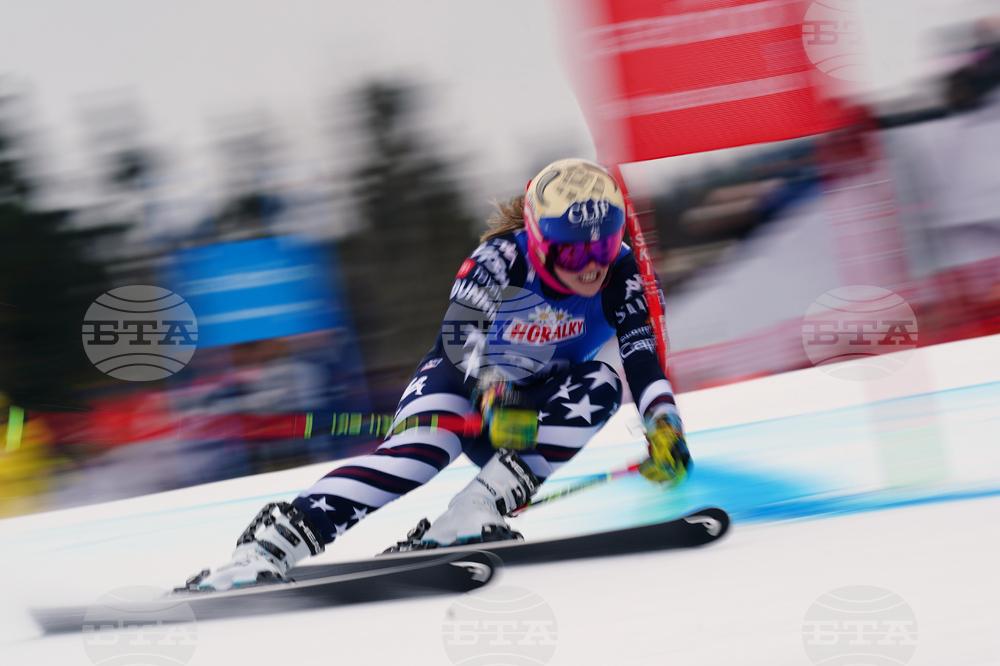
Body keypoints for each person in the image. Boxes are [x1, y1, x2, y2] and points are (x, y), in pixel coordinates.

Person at [190, 158, 691, 591]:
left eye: (603, 249)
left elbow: (640, 357)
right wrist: (495, 399)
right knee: (418, 457)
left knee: (601, 386)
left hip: (538, 412)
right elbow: (461, 340)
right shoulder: (498, 260)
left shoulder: (625, 275)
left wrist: (663, 424)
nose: (591, 268)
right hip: (463, 387)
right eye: (574, 253)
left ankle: (473, 511)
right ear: (539, 242)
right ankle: (267, 547)